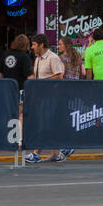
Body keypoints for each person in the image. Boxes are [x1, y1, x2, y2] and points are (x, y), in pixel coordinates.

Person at [25, 34, 66, 164]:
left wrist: (42, 82)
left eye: (34, 44)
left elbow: (59, 76)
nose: (32, 47)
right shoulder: (38, 59)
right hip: (41, 96)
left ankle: (37, 153)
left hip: (51, 96)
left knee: (45, 123)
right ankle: (56, 152)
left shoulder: (53, 58)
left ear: (41, 45)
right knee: (49, 123)